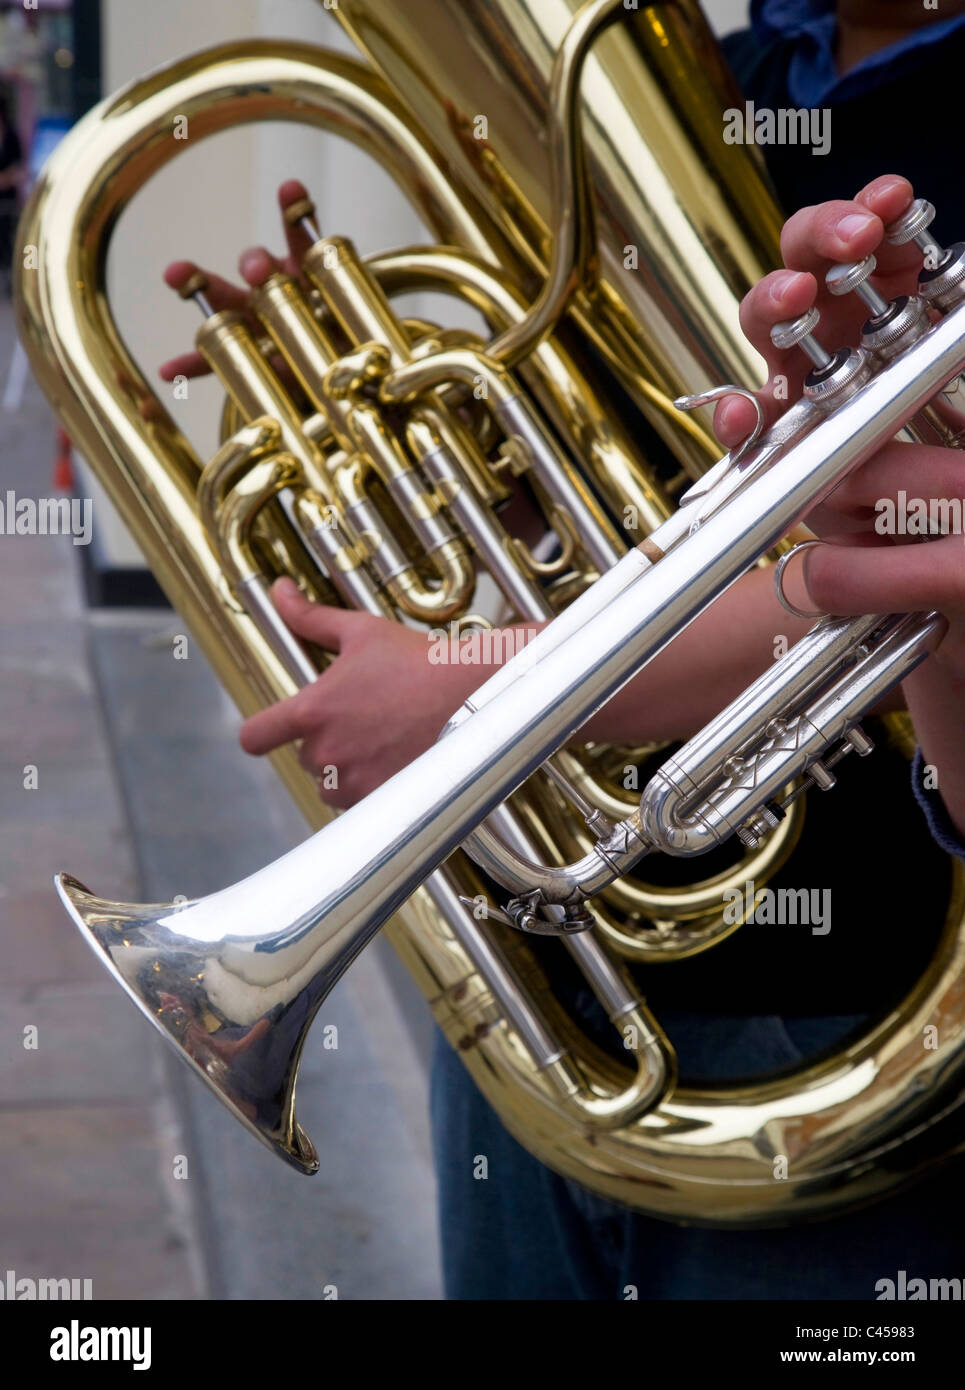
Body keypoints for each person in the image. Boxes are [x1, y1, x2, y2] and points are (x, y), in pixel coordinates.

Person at [159, 1, 965, 1299]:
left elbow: (865, 566)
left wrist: (472, 692)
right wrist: (410, 440)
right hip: (560, 965)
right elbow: (630, 458)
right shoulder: (718, 77)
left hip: (831, 969)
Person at [0, 97, 23, 297]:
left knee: (10, 240)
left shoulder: (11, 136)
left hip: (8, 199)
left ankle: (12, 279)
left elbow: (18, 167)